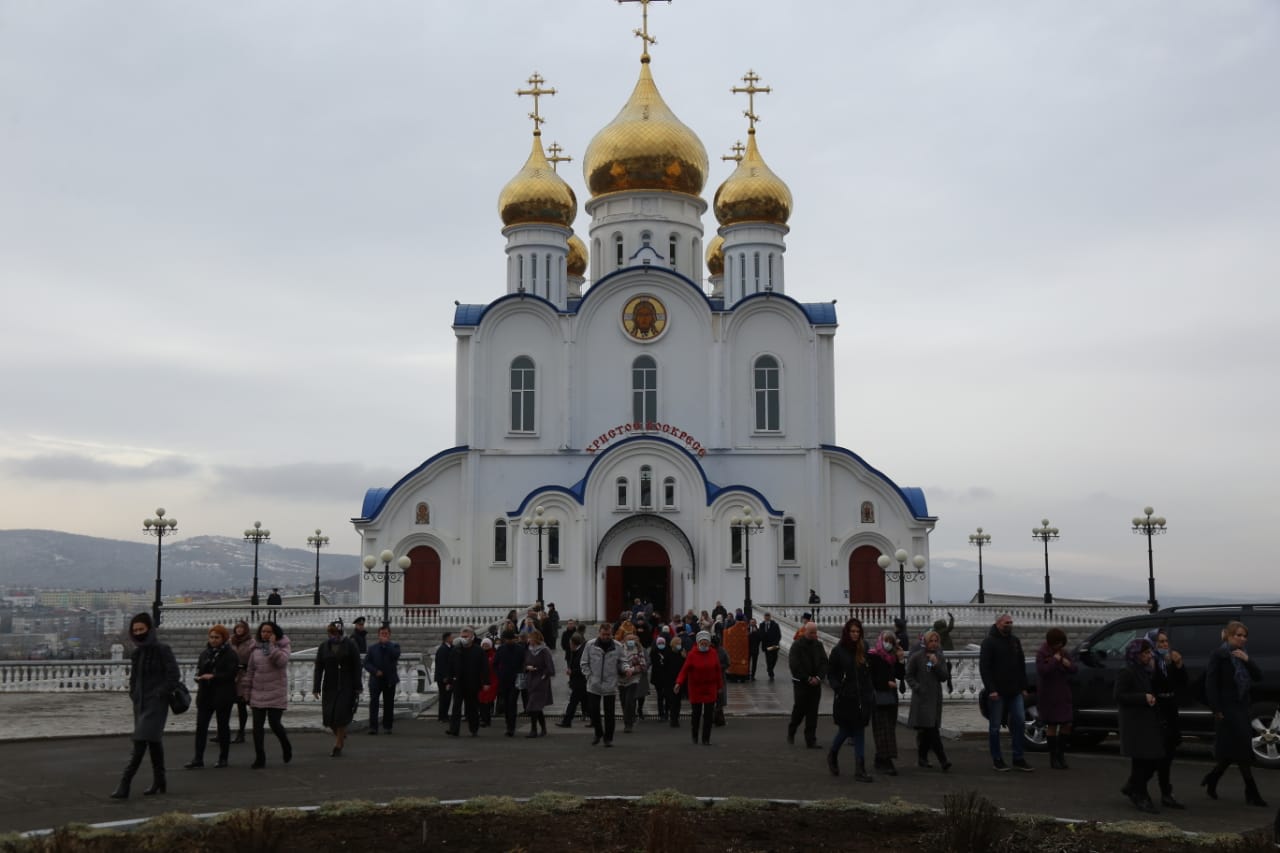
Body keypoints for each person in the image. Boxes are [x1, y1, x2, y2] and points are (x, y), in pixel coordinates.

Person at [110, 613, 180, 798]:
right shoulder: (137, 653)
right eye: (135, 630)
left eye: (141, 629)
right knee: (153, 741)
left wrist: (160, 693)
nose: (138, 633)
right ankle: (160, 780)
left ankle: (125, 783)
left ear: (150, 629)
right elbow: (134, 678)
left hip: (157, 703)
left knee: (140, 741)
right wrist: (133, 694)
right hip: (140, 703)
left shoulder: (163, 649)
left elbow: (174, 676)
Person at [1202, 620, 1267, 806]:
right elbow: (1211, 684)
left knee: (1234, 751)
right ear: (1229, 636)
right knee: (1241, 750)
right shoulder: (1219, 654)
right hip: (1227, 709)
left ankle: (1213, 778)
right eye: (1238, 635)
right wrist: (1216, 709)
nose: (1242, 639)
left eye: (1244, 636)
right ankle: (1252, 792)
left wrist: (1247, 660)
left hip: (1242, 707)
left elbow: (1259, 677)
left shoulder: (1243, 654)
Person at [1115, 637, 1163, 813]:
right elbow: (1119, 695)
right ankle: (1140, 795)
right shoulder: (1127, 671)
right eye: (1146, 653)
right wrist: (1142, 698)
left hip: (1147, 720)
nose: (1149, 656)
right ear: (1136, 654)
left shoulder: (1145, 670)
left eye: (1150, 652)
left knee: (1153, 759)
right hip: (1134, 723)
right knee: (1142, 761)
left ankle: (1132, 787)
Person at [979, 613, 1032, 772]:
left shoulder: (1015, 641)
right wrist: (991, 689)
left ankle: (1018, 758)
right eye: (1006, 622)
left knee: (1020, 722)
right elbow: (985, 668)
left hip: (1015, 691)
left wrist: (1024, 686)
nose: (1009, 625)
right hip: (997, 692)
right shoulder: (988, 642)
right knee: (995, 727)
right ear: (998, 623)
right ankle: (997, 759)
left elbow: (1021, 664)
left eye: (1010, 622)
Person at [827, 617, 875, 781]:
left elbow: (868, 671)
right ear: (847, 632)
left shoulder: (864, 647)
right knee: (846, 730)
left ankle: (860, 769)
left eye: (857, 631)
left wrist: (870, 691)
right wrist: (838, 688)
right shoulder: (838, 650)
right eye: (852, 631)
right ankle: (833, 754)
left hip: (862, 697)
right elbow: (831, 673)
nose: (855, 634)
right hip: (846, 697)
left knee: (859, 730)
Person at [185, 623, 237, 769]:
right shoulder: (205, 653)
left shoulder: (230, 654)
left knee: (223, 727)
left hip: (223, 694)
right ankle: (198, 758)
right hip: (205, 695)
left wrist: (214, 676)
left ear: (223, 638)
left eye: (217, 637)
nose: (213, 640)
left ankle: (223, 758)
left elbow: (231, 674)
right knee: (201, 727)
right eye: (211, 637)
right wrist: (199, 677)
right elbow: (199, 669)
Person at [1148, 628, 1188, 809]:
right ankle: (1138, 785)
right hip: (1157, 711)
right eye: (1160, 642)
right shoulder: (1150, 663)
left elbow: (1182, 683)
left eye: (1166, 641)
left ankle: (1165, 792)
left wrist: (1179, 665)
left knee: (1169, 752)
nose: (1164, 645)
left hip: (1170, 709)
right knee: (1159, 753)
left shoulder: (1167, 662)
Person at [245, 621, 292, 769]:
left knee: (274, 724)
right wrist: (247, 692)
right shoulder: (255, 649)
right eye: (263, 631)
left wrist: (271, 646)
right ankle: (260, 757)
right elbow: (250, 671)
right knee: (257, 727)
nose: (265, 634)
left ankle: (285, 745)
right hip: (258, 691)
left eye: (269, 632)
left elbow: (281, 662)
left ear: (275, 634)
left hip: (276, 691)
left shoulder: (283, 646)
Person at [313, 619, 361, 757]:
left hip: (346, 685)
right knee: (329, 717)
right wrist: (316, 687)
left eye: (335, 632)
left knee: (340, 715)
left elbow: (357, 666)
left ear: (340, 632)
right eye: (330, 633)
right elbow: (318, 668)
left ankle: (338, 744)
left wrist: (358, 685)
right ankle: (340, 734)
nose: (332, 635)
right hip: (329, 685)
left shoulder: (350, 644)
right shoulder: (324, 646)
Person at [906, 629, 951, 771]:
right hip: (922, 699)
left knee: (927, 729)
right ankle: (943, 760)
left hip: (935, 697)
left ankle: (922, 758)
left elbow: (944, 676)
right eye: (931, 641)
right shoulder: (917, 657)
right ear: (925, 642)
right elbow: (909, 675)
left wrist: (935, 664)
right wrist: (917, 687)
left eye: (936, 641)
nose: (934, 643)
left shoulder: (939, 657)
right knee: (932, 730)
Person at [1035, 627, 1076, 770]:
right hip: (1049, 694)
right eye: (1058, 643)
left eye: (1062, 643)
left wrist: (1067, 664)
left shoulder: (1064, 653)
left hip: (1063, 693)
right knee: (1052, 725)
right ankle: (1053, 758)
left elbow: (1074, 669)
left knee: (1067, 724)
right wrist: (1054, 660)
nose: (1060, 646)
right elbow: (1043, 671)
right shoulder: (1042, 653)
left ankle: (1061, 754)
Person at [674, 630, 723, 745]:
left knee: (708, 715)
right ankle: (695, 735)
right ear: (698, 642)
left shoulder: (713, 653)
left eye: (706, 642)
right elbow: (684, 670)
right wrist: (678, 683)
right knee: (696, 714)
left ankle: (706, 739)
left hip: (710, 687)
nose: (704, 644)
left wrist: (719, 686)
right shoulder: (692, 654)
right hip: (696, 688)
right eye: (702, 642)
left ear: (709, 643)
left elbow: (718, 671)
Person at [867, 629, 905, 775]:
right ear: (880, 640)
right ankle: (887, 760)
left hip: (891, 697)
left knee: (890, 728)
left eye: (891, 641)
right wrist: (885, 683)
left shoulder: (892, 657)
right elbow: (870, 677)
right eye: (886, 641)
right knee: (882, 730)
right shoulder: (873, 656)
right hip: (879, 697)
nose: (888, 644)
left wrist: (901, 660)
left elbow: (900, 675)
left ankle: (880, 758)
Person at [787, 621, 828, 749]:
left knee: (813, 712)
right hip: (801, 684)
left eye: (815, 633)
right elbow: (794, 665)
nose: (814, 635)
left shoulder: (818, 645)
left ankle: (811, 740)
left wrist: (818, 677)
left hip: (816, 684)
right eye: (811, 633)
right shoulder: (797, 645)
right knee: (799, 710)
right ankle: (792, 730)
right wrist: (807, 678)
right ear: (805, 632)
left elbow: (824, 663)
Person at [582, 622, 623, 747]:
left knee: (609, 713)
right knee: (593, 711)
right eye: (603, 634)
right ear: (599, 633)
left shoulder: (618, 646)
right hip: (594, 684)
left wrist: (625, 669)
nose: (606, 637)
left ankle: (608, 738)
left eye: (608, 634)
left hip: (610, 684)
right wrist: (589, 676)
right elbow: (584, 662)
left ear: (612, 634)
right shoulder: (590, 645)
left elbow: (623, 661)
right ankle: (598, 733)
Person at [447, 627, 488, 737]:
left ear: (472, 636)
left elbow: (484, 667)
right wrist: (449, 681)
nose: (463, 639)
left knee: (472, 707)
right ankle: (454, 729)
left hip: (473, 683)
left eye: (466, 636)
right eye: (462, 636)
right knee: (456, 706)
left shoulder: (478, 650)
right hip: (458, 682)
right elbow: (450, 666)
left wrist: (485, 682)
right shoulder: (456, 650)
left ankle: (474, 729)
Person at [364, 624, 400, 736]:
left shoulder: (395, 646)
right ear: (378, 635)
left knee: (388, 703)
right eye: (382, 634)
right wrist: (375, 671)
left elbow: (396, 656)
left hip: (389, 679)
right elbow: (366, 663)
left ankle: (387, 726)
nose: (384, 635)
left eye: (386, 634)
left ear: (389, 635)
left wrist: (387, 644)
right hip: (376, 679)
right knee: (374, 703)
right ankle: (373, 727)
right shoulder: (372, 648)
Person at [522, 629, 555, 737]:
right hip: (531, 680)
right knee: (536, 706)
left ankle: (533, 730)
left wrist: (543, 675)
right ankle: (543, 729)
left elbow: (550, 667)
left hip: (541, 681)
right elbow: (524, 663)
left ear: (536, 639)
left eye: (530, 638)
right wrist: (527, 667)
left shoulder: (544, 650)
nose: (529, 640)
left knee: (533, 705)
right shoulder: (528, 650)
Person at [493, 629, 525, 736]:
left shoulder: (520, 649)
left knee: (512, 702)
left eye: (510, 639)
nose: (508, 641)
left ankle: (511, 727)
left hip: (516, 679)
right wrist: (499, 674)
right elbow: (495, 664)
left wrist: (521, 674)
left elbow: (523, 663)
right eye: (507, 639)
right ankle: (509, 724)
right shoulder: (501, 649)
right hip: (504, 679)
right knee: (506, 703)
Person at [229, 620, 254, 743]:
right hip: (231, 676)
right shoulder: (230, 641)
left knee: (241, 705)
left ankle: (241, 733)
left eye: (241, 628)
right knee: (225, 705)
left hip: (244, 675)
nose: (239, 630)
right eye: (237, 627)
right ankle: (223, 732)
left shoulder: (251, 642)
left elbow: (254, 659)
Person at [618, 632, 647, 733]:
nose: (631, 641)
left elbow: (643, 665)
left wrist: (633, 670)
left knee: (629, 701)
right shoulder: (620, 649)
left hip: (634, 679)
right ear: (624, 640)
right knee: (623, 701)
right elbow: (616, 663)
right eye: (629, 639)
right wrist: (624, 670)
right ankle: (628, 718)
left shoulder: (639, 650)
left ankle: (628, 724)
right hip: (621, 679)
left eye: (632, 639)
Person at [556, 633, 588, 728]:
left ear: (574, 644)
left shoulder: (580, 653)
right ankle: (595, 721)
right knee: (586, 702)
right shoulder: (577, 651)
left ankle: (567, 721)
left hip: (580, 682)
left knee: (573, 702)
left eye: (570, 644)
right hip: (580, 682)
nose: (569, 646)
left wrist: (572, 672)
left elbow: (582, 668)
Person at [664, 635, 687, 728]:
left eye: (680, 644)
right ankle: (673, 718)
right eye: (677, 644)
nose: (679, 645)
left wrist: (685, 657)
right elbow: (665, 667)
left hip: (679, 681)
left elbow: (685, 667)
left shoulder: (681, 654)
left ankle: (675, 718)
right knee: (672, 700)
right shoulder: (668, 654)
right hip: (670, 681)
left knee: (678, 701)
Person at [434, 632, 454, 722]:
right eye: (451, 637)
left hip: (448, 677)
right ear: (447, 639)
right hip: (443, 678)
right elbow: (441, 665)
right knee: (444, 697)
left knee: (447, 697)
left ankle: (444, 715)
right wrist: (445, 677)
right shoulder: (442, 649)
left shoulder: (450, 648)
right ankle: (442, 716)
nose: (452, 639)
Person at [478, 638, 498, 727]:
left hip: (492, 680)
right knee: (481, 700)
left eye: (487, 645)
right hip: (481, 681)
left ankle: (486, 719)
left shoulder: (494, 655)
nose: (485, 646)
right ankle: (483, 718)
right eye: (483, 645)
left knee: (488, 700)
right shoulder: (479, 655)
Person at [759, 612, 782, 681]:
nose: (767, 617)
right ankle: (771, 673)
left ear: (770, 617)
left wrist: (775, 643)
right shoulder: (762, 625)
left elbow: (778, 635)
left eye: (768, 616)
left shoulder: (775, 625)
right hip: (766, 646)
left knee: (775, 658)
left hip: (774, 645)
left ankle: (770, 668)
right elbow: (760, 634)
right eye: (765, 616)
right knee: (769, 659)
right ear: (764, 617)